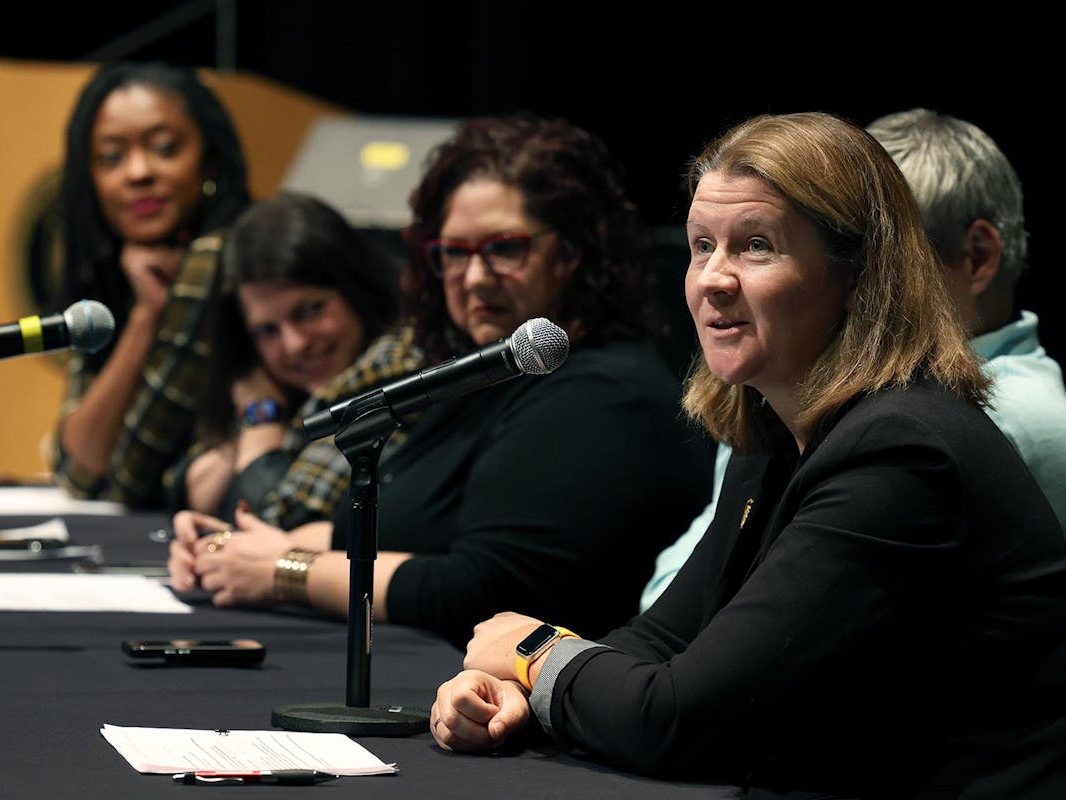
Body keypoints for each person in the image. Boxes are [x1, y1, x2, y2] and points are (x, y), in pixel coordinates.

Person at [430, 112, 1066, 798]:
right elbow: (665, 640)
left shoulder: (905, 453)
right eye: (701, 245)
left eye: (756, 246)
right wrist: (520, 692)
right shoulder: (773, 428)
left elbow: (678, 720)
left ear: (858, 276)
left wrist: (533, 653)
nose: (713, 279)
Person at [166, 113, 714, 646]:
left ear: (571, 253)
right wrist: (238, 549)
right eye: (454, 253)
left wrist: (285, 569)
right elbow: (383, 530)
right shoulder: (486, 378)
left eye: (503, 248)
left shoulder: (604, 396)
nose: (474, 278)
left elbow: (483, 590)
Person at [638, 106, 1066, 612]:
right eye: (703, 245)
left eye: (901, 251)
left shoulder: (924, 429)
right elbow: (677, 608)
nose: (715, 276)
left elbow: (725, 639)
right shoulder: (783, 403)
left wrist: (545, 657)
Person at [51, 61, 251, 509]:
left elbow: (126, 481)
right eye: (111, 157)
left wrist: (152, 312)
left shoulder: (218, 258)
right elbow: (76, 468)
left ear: (209, 159)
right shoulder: (120, 269)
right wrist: (146, 316)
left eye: (164, 147)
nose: (138, 172)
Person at [164, 190, 422, 526]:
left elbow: (284, 523)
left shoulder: (394, 366)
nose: (295, 344)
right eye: (267, 330)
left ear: (356, 289)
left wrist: (260, 420)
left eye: (311, 310)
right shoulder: (277, 383)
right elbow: (189, 484)